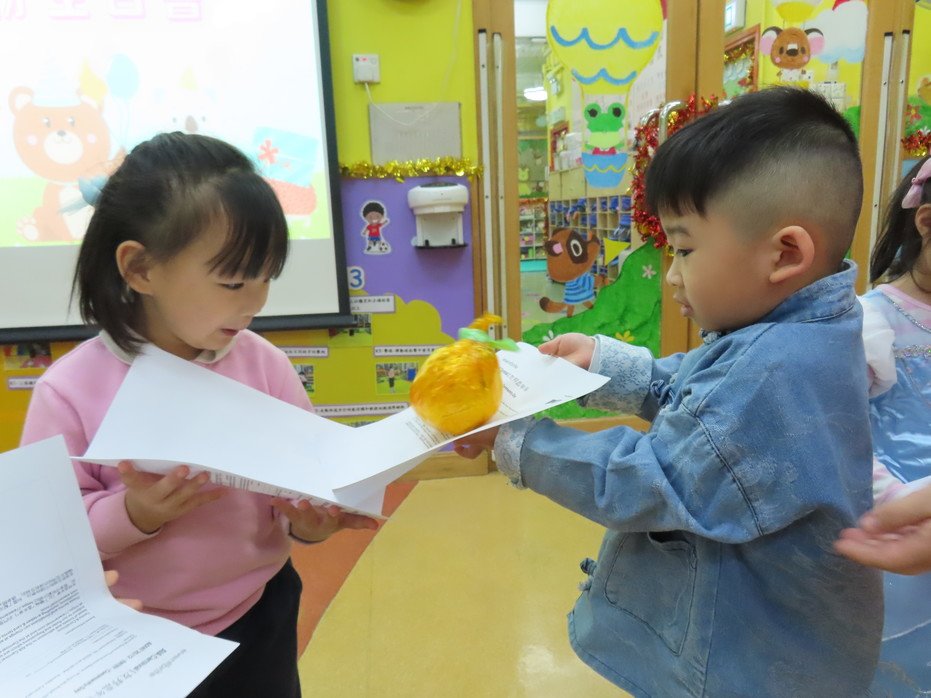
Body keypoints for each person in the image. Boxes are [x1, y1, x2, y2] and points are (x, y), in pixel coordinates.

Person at [456, 87, 882, 696]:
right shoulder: (804, 328)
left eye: (684, 250)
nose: (673, 276)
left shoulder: (775, 365)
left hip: (748, 667)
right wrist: (604, 364)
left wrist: (515, 439)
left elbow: (649, 480)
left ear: (785, 253)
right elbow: (706, 400)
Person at [19, 132, 377, 697]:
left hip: (259, 611)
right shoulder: (69, 391)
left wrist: (311, 523)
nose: (254, 303)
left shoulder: (264, 365)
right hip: (134, 634)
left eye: (265, 278)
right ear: (140, 269)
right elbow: (44, 545)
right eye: (233, 282)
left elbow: (299, 493)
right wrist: (134, 513)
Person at [834, 155, 931, 695]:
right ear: (926, 221)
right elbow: (841, 430)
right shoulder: (872, 321)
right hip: (899, 528)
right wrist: (894, 503)